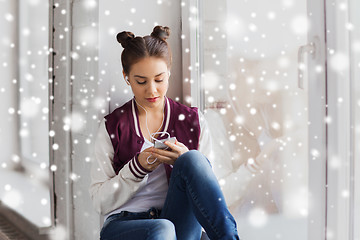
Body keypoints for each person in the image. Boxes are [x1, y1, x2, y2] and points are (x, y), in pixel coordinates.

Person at [89, 25, 240, 240]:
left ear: (169, 72)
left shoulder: (193, 121)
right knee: (162, 228)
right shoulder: (113, 126)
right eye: (141, 81)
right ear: (126, 77)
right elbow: (99, 201)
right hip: (124, 225)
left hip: (177, 221)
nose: (152, 90)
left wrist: (183, 160)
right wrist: (136, 167)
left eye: (159, 79)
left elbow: (209, 194)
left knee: (193, 159)